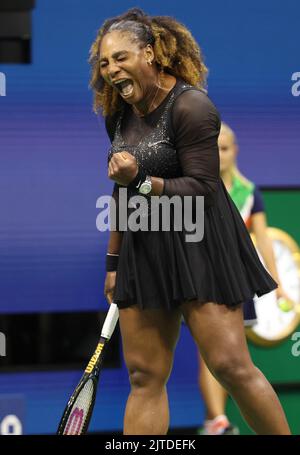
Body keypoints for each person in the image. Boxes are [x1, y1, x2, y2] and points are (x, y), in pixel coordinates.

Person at [89, 8, 291, 435]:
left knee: (230, 366)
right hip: (144, 247)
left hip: (200, 243)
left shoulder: (192, 106)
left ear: (150, 53)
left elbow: (203, 188)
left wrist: (140, 180)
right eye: (104, 62)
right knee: (144, 376)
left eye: (121, 58)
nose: (111, 70)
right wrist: (114, 262)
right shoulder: (118, 115)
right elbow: (121, 192)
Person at [197, 122, 291, 435]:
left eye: (224, 148)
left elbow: (264, 242)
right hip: (201, 277)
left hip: (236, 281)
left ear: (235, 150)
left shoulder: (250, 193)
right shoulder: (193, 188)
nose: (219, 155)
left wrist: (278, 287)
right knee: (207, 354)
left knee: (233, 358)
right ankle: (217, 420)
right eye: (213, 148)